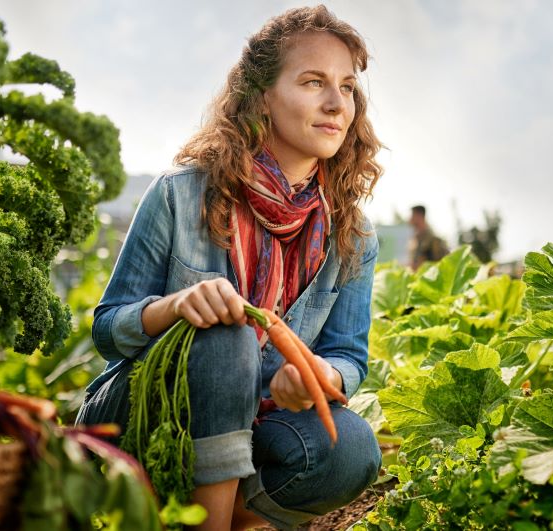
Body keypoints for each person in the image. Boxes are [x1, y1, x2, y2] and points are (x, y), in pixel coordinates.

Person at [76, 6, 383, 530]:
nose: (337, 104)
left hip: (258, 425)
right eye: (314, 82)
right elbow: (108, 331)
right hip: (143, 419)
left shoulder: (351, 232)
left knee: (350, 449)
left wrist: (317, 376)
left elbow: (348, 356)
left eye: (348, 87)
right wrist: (173, 308)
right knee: (226, 336)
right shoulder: (182, 193)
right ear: (262, 95)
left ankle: (205, 514)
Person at [408, 205, 449, 269]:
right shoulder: (415, 241)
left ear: (419, 216)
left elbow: (443, 264)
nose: (410, 220)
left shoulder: (434, 241)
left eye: (413, 216)